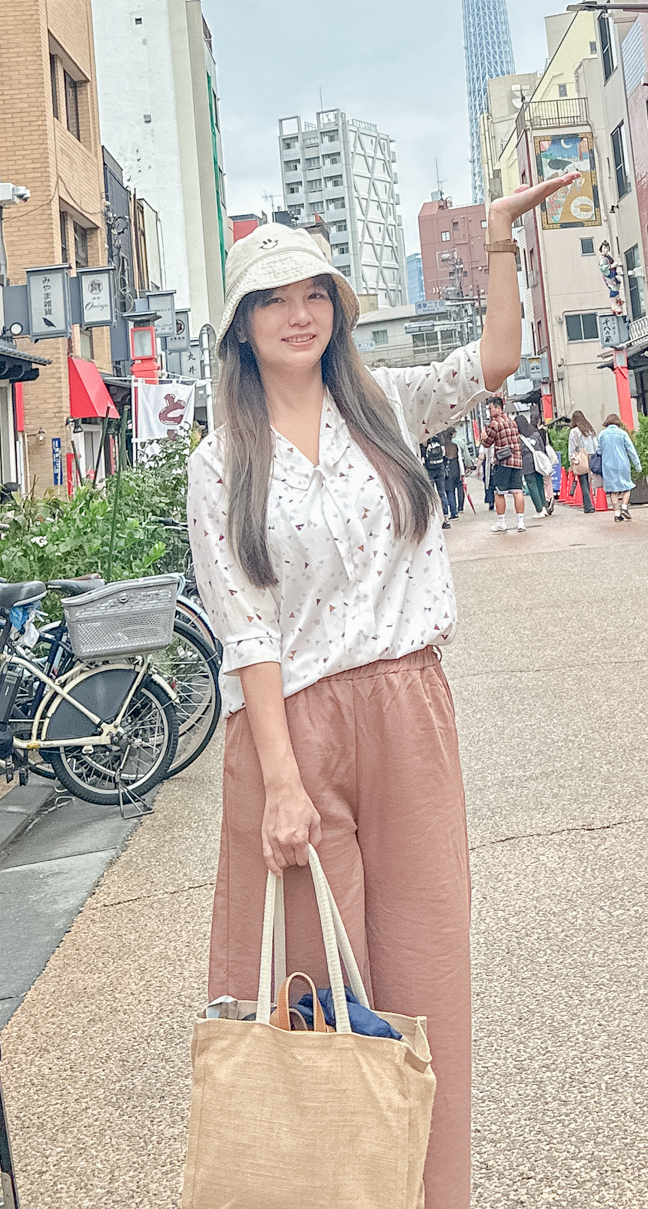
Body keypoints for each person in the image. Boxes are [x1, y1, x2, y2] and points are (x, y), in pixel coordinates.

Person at [188, 169, 573, 1209]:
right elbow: (245, 625)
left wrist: (496, 242)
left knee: (424, 971)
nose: (297, 313)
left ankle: (430, 1193)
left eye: (313, 291)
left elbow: (494, 361)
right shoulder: (221, 460)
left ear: (338, 309)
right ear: (238, 324)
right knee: (311, 989)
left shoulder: (388, 407)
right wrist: (278, 780)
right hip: (291, 726)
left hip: (408, 708)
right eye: (272, 297)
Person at [481, 395, 528, 532]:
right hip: (517, 461)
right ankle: (520, 522)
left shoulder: (495, 424)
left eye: (491, 408)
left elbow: (487, 443)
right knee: (517, 491)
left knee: (499, 492)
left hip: (503, 461)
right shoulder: (512, 422)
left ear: (498, 408)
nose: (489, 411)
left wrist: (484, 437)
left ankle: (501, 522)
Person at [597, 412, 643, 521]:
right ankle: (624, 507)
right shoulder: (622, 433)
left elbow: (598, 450)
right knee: (627, 486)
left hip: (608, 465)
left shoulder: (602, 434)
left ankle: (617, 514)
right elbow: (631, 450)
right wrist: (637, 465)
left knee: (613, 490)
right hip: (622, 463)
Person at [565, 410, 596, 512]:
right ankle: (592, 502)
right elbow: (596, 445)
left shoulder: (574, 432)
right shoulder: (589, 429)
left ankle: (588, 505)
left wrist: (572, 461)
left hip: (581, 458)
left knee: (583, 482)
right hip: (592, 456)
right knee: (591, 480)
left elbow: (572, 448)